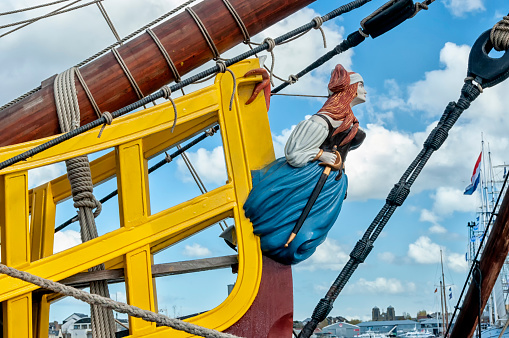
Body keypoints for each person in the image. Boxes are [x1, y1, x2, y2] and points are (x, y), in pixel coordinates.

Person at [243, 64, 366, 265]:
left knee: (313, 227)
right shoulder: (322, 121)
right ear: (349, 90)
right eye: (361, 85)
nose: (365, 90)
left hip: (331, 186)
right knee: (288, 225)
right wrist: (321, 155)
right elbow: (294, 153)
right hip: (307, 180)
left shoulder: (349, 122)